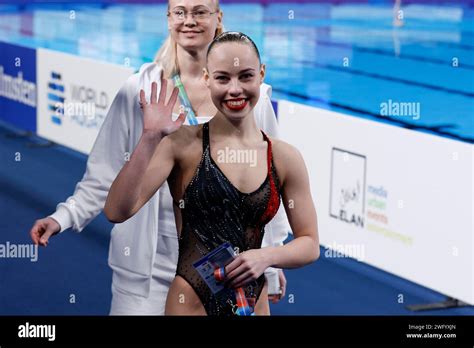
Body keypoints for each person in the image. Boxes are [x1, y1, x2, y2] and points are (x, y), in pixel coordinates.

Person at [29, 0, 290, 315]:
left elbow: (269, 187)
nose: (189, 20)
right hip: (147, 271)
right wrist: (65, 216)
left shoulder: (251, 97)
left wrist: (271, 262)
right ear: (169, 19)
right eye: (180, 12)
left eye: (200, 11)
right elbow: (106, 171)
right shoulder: (139, 89)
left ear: (218, 18)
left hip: (223, 271)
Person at [104, 31, 320, 316]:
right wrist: (149, 139)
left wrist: (266, 256)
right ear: (207, 79)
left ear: (261, 75)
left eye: (245, 76)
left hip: (253, 304)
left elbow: (310, 244)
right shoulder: (181, 145)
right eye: (222, 78)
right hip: (191, 304)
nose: (235, 89)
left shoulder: (284, 157)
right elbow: (116, 211)